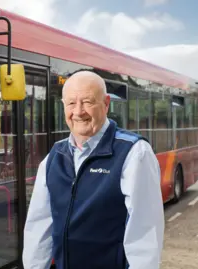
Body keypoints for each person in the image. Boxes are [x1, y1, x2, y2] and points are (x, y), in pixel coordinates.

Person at [22, 70, 164, 269]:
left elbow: (145, 233)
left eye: (88, 102)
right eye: (71, 103)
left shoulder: (134, 153)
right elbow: (39, 226)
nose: (78, 111)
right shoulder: (54, 156)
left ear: (106, 104)